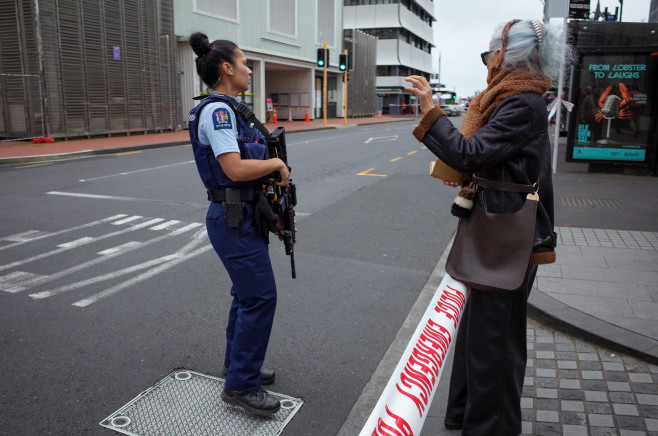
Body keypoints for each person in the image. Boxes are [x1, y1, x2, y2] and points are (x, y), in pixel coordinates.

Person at [405, 19, 572, 435]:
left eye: (488, 54)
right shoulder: (511, 97)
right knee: (480, 335)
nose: (486, 63)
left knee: (495, 345)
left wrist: (431, 109)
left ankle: (490, 427)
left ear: (505, 54)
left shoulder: (521, 103)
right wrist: (463, 170)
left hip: (507, 237)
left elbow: (471, 152)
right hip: (498, 230)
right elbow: (485, 160)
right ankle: (463, 415)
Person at [188, 32, 290, 416]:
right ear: (227, 68)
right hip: (231, 217)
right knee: (261, 297)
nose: (249, 69)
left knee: (246, 295)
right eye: (245, 62)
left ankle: (239, 365)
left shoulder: (229, 109)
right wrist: (277, 165)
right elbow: (233, 167)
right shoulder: (218, 112)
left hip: (242, 214)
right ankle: (241, 386)